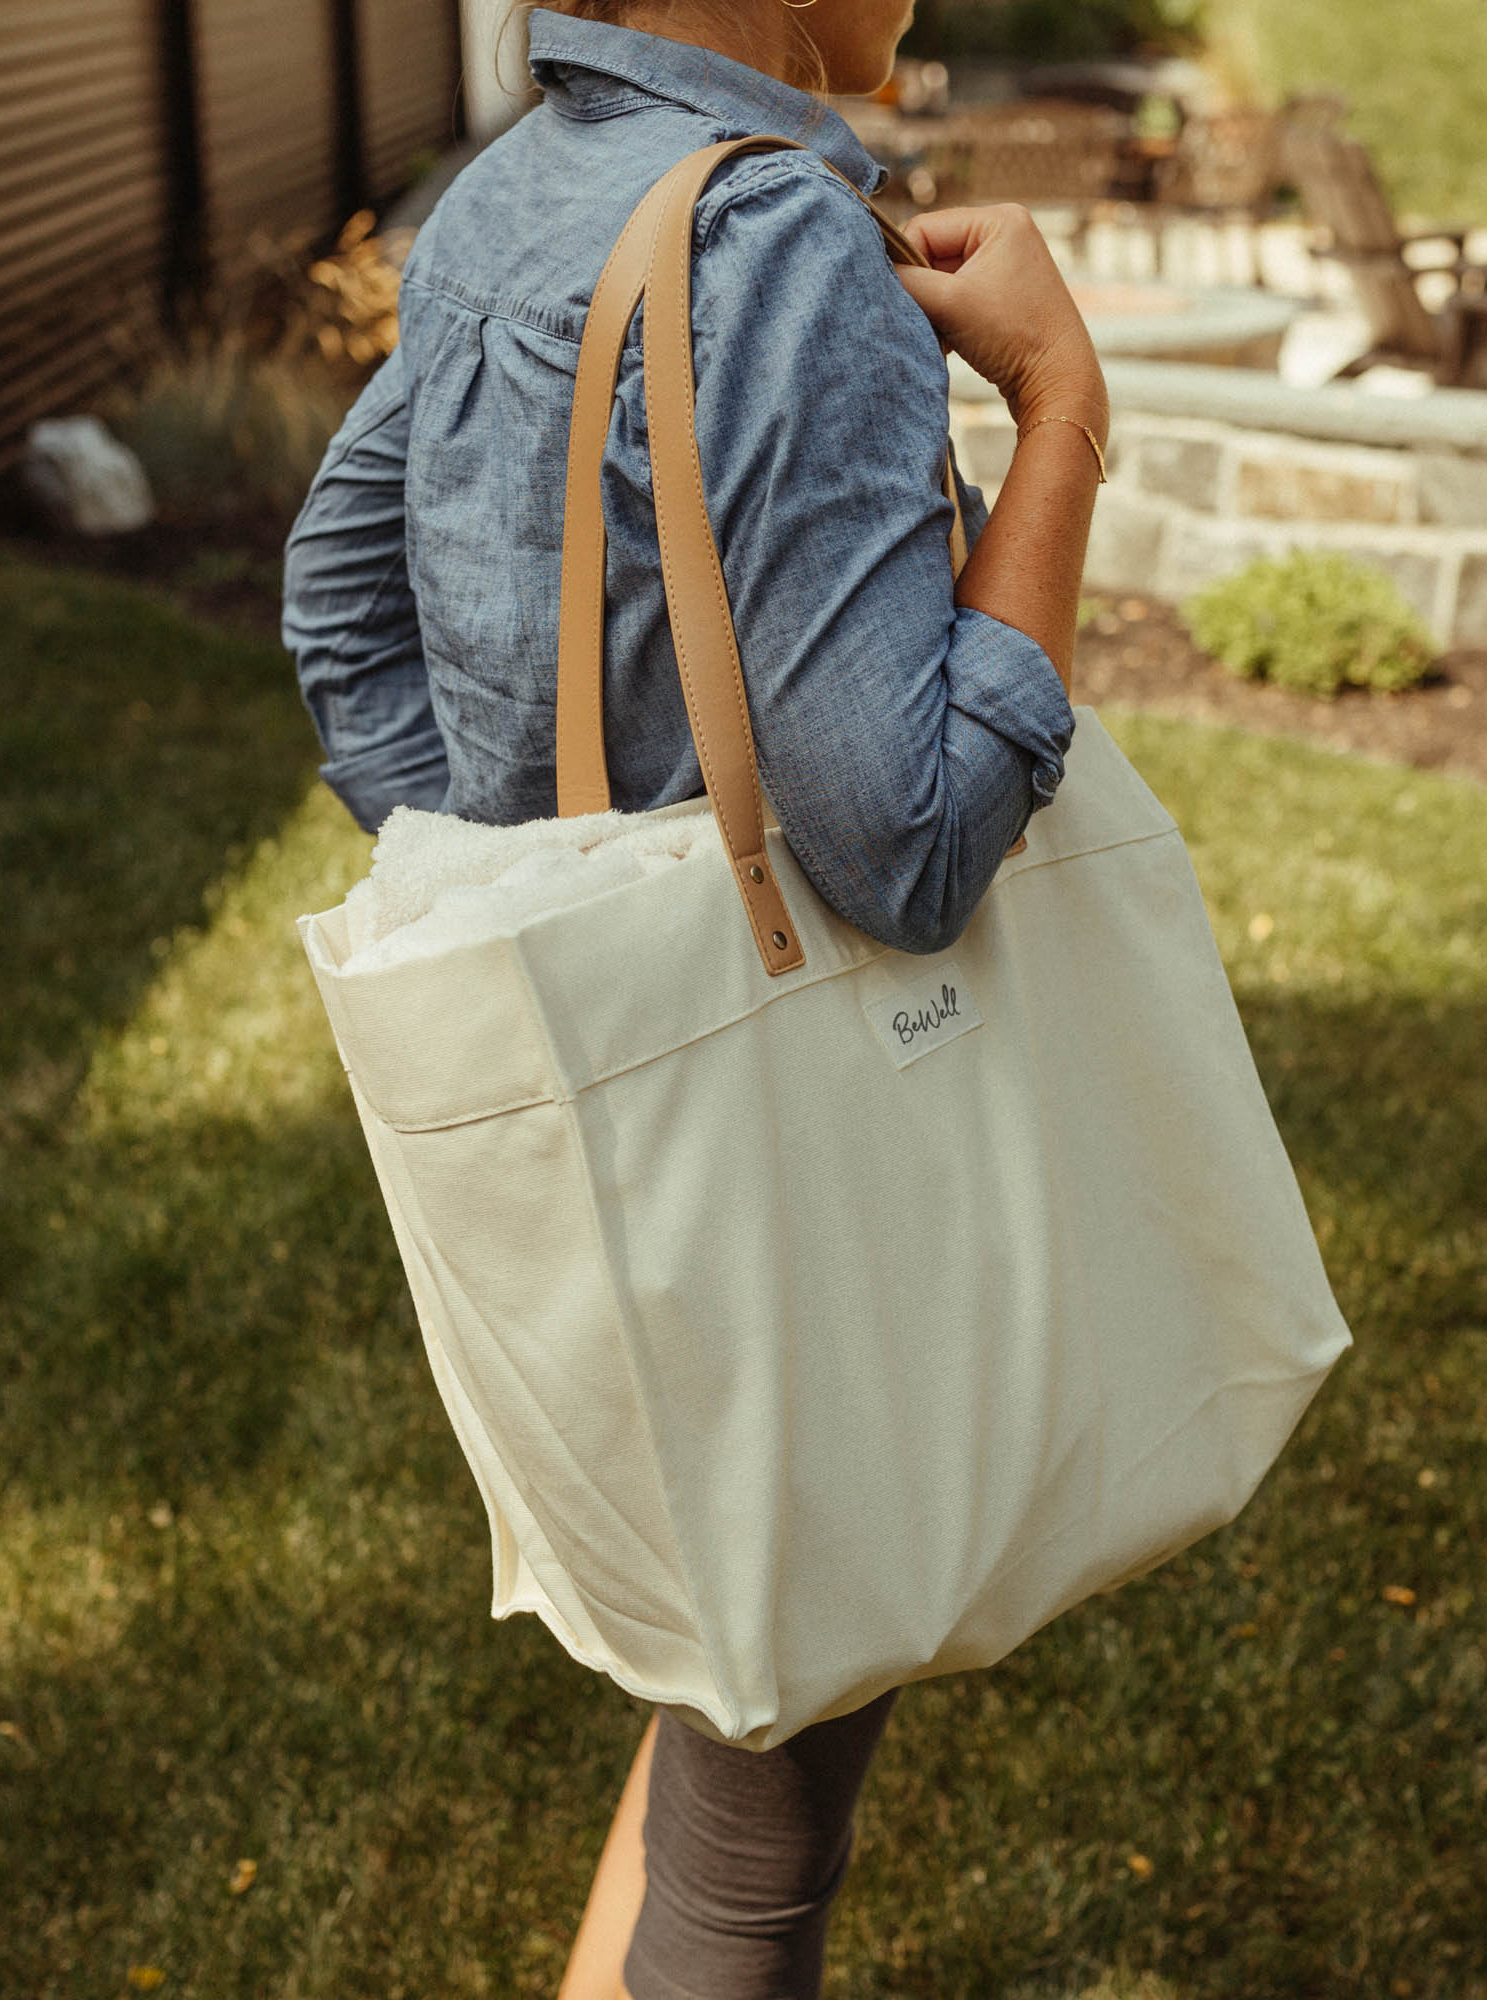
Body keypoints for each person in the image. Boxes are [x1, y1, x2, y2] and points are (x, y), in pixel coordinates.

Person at [283, 0, 1108, 1990]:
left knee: (725, 1675)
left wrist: (531, 888)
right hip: (793, 1171)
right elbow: (903, 843)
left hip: (614, 1119)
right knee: (755, 1860)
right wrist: (1064, 414)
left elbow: (336, 604)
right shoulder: (781, 241)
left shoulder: (503, 191)